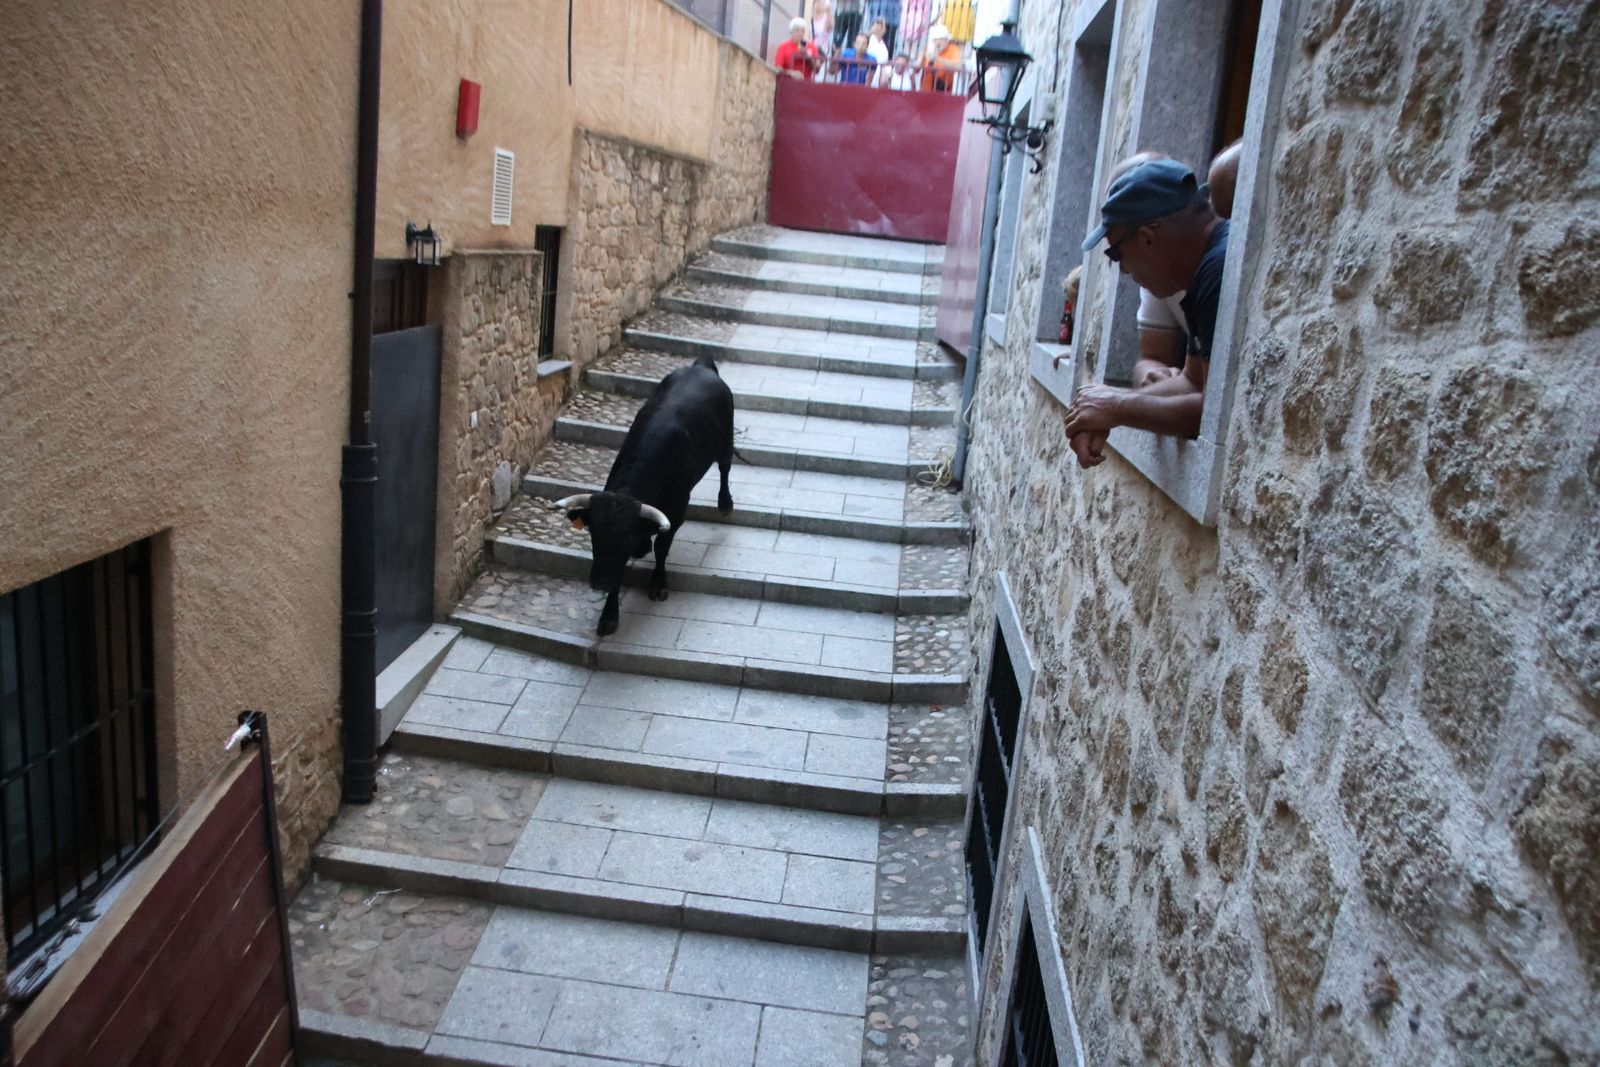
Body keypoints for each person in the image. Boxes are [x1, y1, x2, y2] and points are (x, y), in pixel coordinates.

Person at [1063, 159, 1231, 468]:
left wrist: (1118, 407)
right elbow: (1192, 383)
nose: (1122, 269)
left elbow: (1215, 411)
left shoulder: (1218, 269)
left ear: (1147, 237)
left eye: (1116, 252)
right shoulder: (1201, 274)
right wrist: (1102, 407)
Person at [1130, 141, 1242, 387]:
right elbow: (1188, 379)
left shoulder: (1215, 266)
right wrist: (1152, 377)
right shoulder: (1181, 273)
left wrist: (1115, 406)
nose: (1226, 228)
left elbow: (1206, 399)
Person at [921, 24, 963, 92]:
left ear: (947, 40)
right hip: (925, 91)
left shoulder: (953, 49)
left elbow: (959, 66)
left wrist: (937, 59)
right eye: (935, 40)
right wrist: (921, 55)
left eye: (941, 39)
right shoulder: (928, 48)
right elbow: (917, 68)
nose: (938, 42)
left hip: (943, 92)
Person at [810, 0, 835, 79]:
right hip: (811, 49)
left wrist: (828, 11)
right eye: (816, 2)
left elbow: (830, 27)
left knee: (819, 74)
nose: (818, 4)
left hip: (822, 49)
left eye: (820, 2)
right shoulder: (810, 16)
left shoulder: (827, 16)